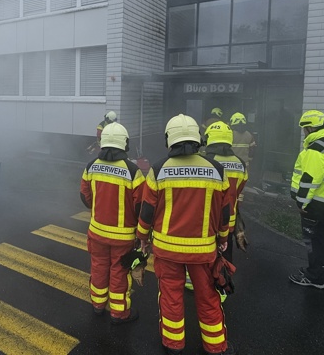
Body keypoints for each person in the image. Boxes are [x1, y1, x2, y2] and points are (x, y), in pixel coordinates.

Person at [136, 114, 235, 355]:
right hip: (204, 252)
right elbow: (225, 213)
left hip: (167, 250)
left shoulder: (158, 170)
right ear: (198, 139)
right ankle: (216, 347)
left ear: (169, 139)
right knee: (209, 297)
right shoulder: (216, 170)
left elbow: (146, 210)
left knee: (170, 296)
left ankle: (173, 345)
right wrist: (223, 240)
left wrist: (142, 238)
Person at [80, 122, 145, 324]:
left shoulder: (91, 166)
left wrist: (98, 209)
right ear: (124, 143)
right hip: (123, 236)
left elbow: (84, 195)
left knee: (99, 267)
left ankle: (98, 305)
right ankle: (119, 313)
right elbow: (141, 205)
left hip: (97, 231)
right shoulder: (133, 171)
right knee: (119, 271)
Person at [288, 110, 324, 290]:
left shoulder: (316, 149)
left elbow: (309, 179)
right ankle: (322, 274)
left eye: (305, 129)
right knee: (323, 239)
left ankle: (314, 277)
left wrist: (301, 203)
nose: (304, 132)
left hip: (315, 204)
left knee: (313, 242)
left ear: (310, 127)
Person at [205, 121, 248, 263]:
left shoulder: (207, 162)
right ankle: (224, 283)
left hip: (207, 222)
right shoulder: (240, 164)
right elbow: (237, 192)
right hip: (228, 222)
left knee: (207, 261)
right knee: (225, 260)